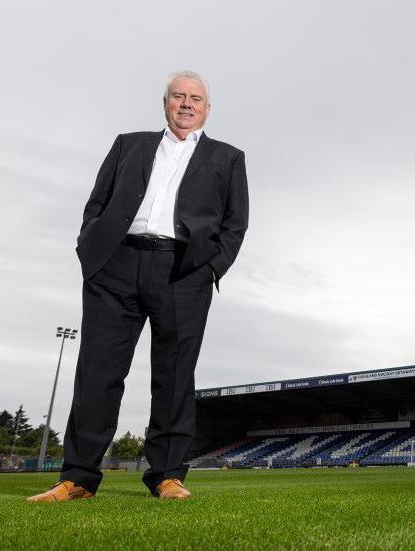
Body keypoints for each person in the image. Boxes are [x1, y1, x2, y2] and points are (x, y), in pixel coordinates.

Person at [28, 71, 248, 502]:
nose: (187, 104)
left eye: (196, 99)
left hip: (183, 271)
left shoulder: (228, 158)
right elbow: (96, 203)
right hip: (115, 266)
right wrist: (91, 253)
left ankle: (167, 475)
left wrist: (211, 269)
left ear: (207, 108)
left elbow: (235, 224)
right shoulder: (128, 144)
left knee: (174, 374)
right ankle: (77, 479)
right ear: (165, 102)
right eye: (179, 96)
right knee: (98, 372)